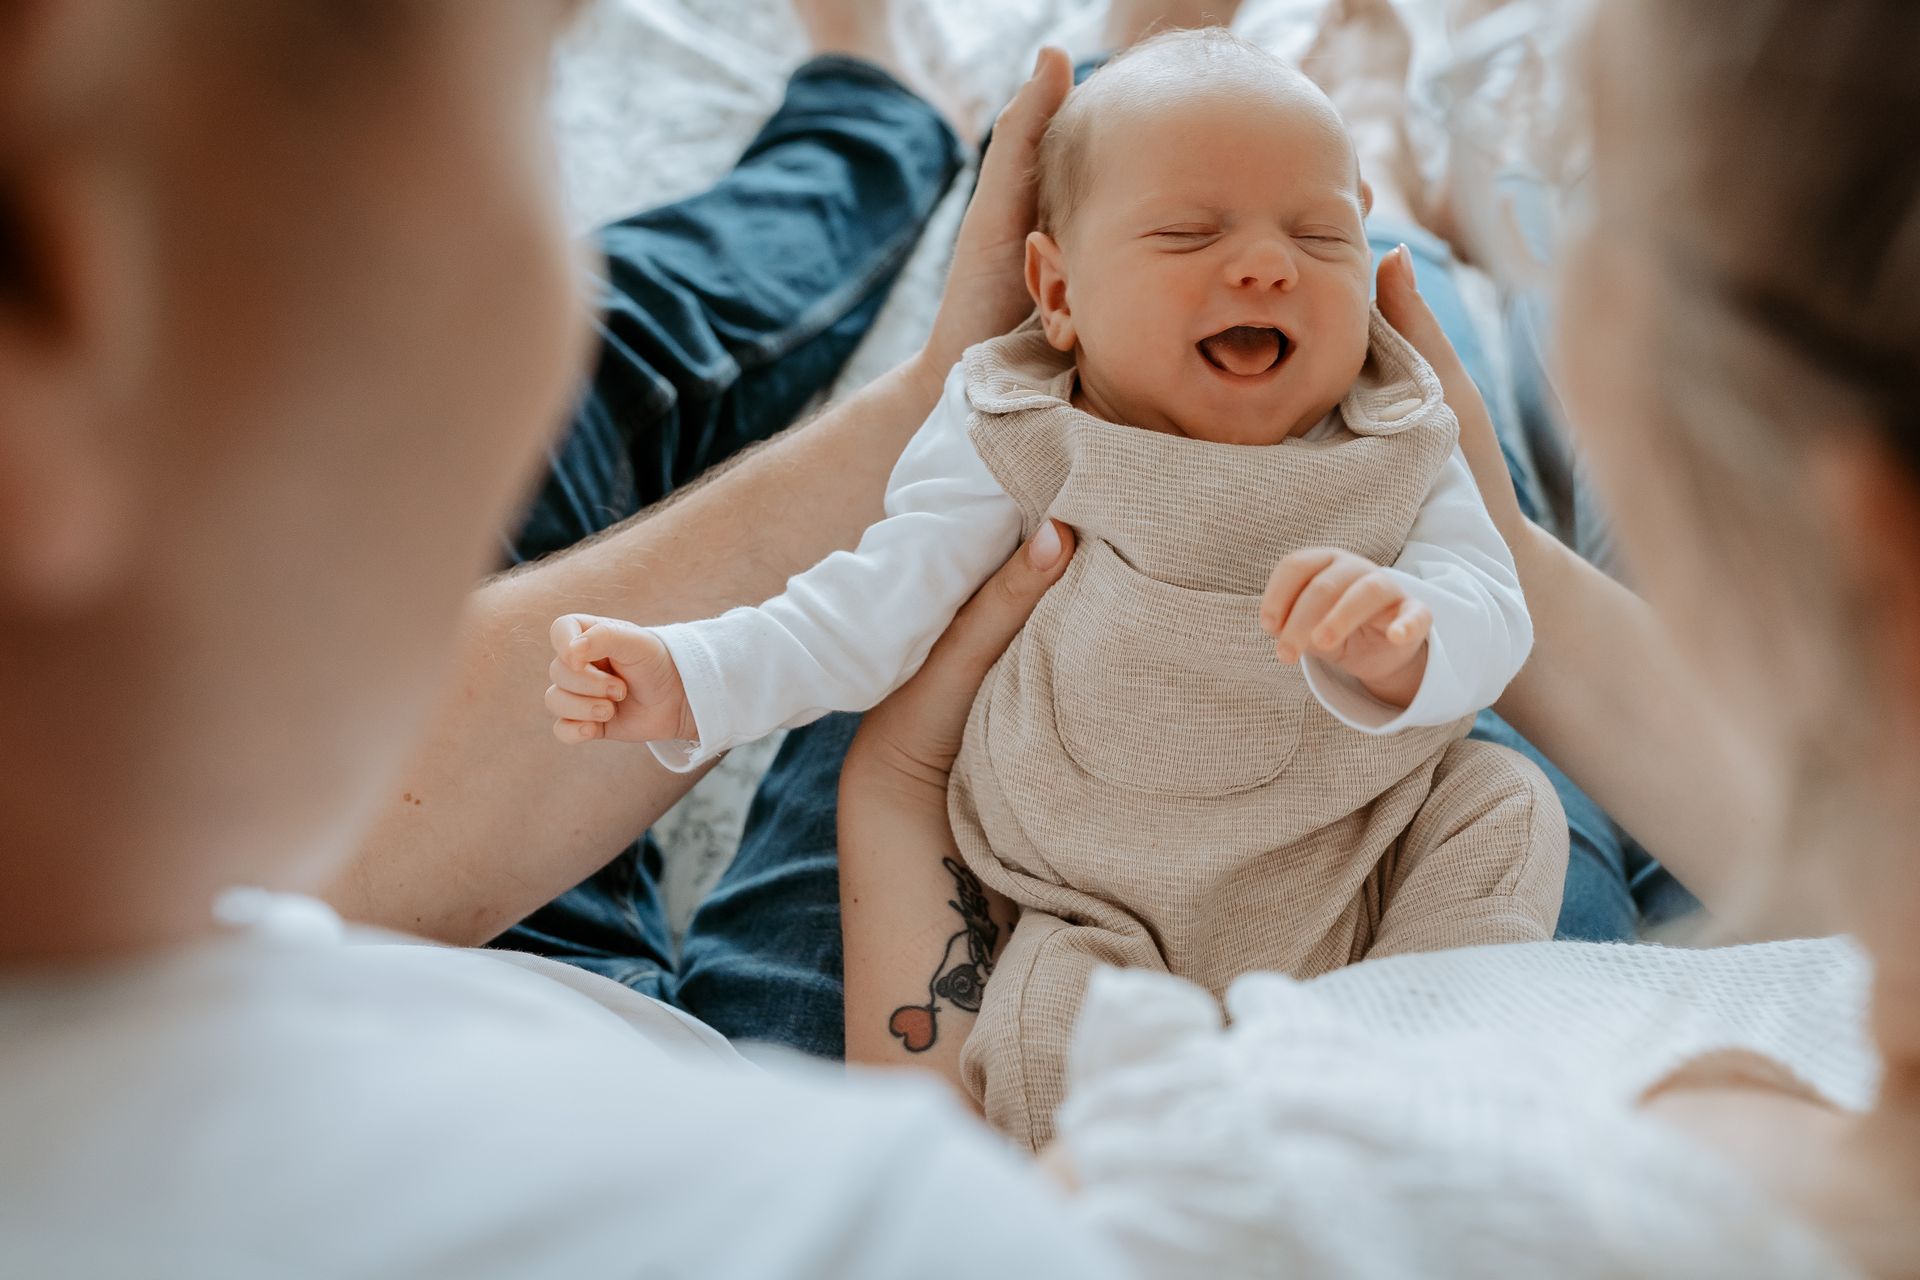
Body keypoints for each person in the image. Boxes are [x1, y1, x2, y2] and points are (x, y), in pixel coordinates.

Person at [836, 0, 1920, 1272]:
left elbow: (929, 1221)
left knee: (1362, 371)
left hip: (1336, 840)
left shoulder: (1199, 1164)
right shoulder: (1798, 1010)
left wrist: (892, 777)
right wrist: (1496, 560)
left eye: (1593, 225)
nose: (1262, 264)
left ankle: (1361, 177)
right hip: (1461, 814)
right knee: (1384, 372)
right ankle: (1378, 177)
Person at [541, 30, 1563, 1149]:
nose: (1269, 267)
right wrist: (695, 672)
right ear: (1058, 291)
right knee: (1037, 1040)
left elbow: (1492, 599)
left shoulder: (1397, 427)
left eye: (1323, 236)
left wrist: (1409, 639)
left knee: (1506, 803)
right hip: (1095, 908)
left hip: (1361, 856)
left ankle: (1405, 1063)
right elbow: (868, 606)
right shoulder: (1019, 426)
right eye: (1190, 233)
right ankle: (1168, 1164)